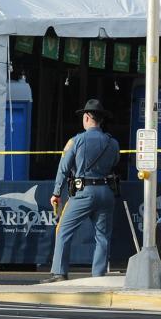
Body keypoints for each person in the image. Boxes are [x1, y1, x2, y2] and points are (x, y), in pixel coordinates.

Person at [46, 99, 120, 282]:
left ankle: (59, 272)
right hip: (106, 191)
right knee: (102, 236)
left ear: (87, 118)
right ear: (101, 120)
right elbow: (115, 163)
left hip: (84, 192)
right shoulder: (112, 143)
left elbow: (64, 168)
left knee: (63, 230)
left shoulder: (76, 141)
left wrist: (56, 193)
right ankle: (98, 275)